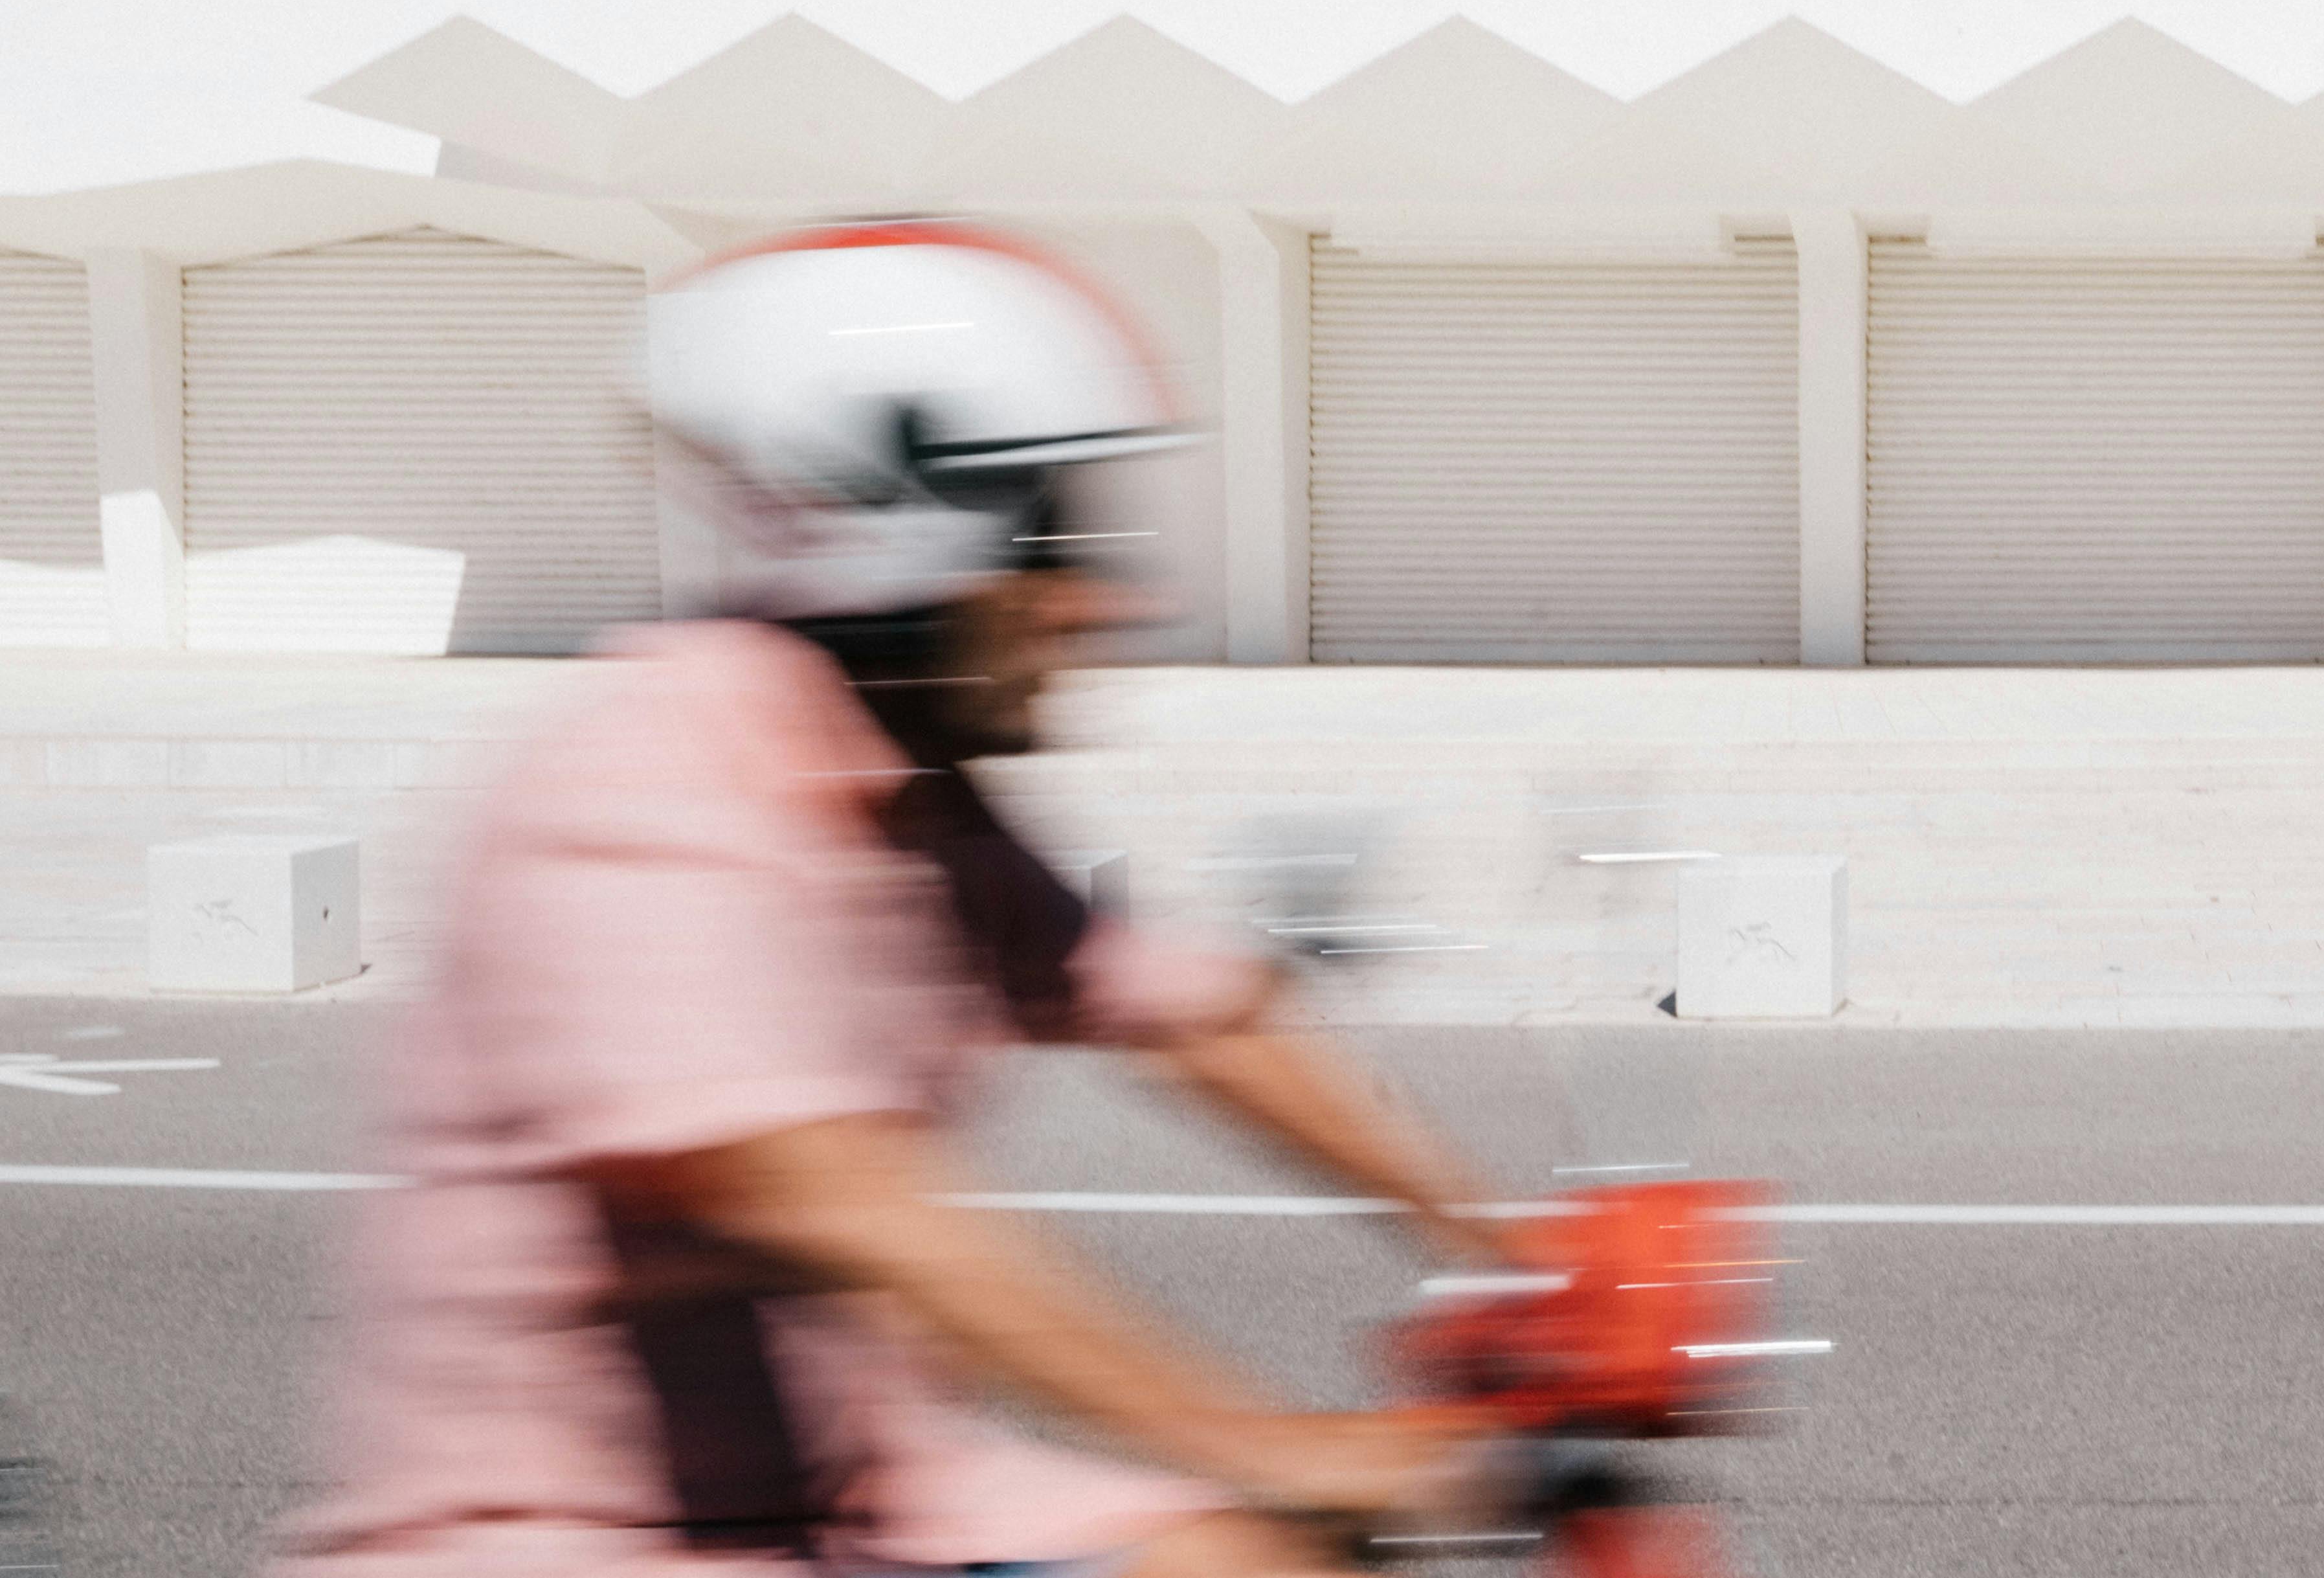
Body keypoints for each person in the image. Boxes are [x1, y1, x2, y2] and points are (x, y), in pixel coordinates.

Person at [284, 221, 1515, 1578]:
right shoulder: (639, 781)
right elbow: (826, 1187)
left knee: (1259, 1563)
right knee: (1255, 1548)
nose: (1108, 600)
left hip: (864, 1505)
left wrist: (1518, 1246)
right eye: (1055, 535)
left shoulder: (908, 786)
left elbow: (1188, 1011)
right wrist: (1268, 1443)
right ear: (896, 520)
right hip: (567, 1541)